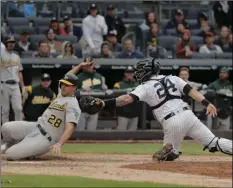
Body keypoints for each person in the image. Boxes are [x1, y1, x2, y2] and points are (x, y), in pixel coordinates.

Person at [94, 58, 232, 161]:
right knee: (214, 143)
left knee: (166, 157)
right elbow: (191, 91)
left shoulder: (145, 86)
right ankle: (171, 150)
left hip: (172, 121)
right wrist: (207, 103)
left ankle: (171, 152)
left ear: (147, 72)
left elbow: (126, 99)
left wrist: (104, 104)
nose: (138, 73)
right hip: (189, 115)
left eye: (140, 71)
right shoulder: (173, 78)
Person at [1, 62, 91, 161]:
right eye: (63, 84)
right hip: (35, 126)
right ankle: (11, 144)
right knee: (6, 127)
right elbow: (69, 74)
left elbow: (70, 128)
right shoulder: (61, 94)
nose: (63, 87)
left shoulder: (73, 105)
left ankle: (28, 150)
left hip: (45, 139)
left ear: (74, 87)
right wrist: (80, 66)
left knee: (10, 155)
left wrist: (59, 144)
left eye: (67, 85)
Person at [0, 36, 25, 124]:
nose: (11, 44)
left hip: (15, 85)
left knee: (18, 108)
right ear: (5, 44)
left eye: (13, 42)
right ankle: (5, 131)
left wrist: (23, 86)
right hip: (4, 84)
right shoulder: (1, 54)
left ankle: (18, 129)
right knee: (5, 110)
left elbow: (20, 72)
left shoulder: (16, 57)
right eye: (9, 42)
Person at [113, 66, 140, 130]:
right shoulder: (118, 84)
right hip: (122, 114)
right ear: (125, 74)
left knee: (132, 137)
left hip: (134, 115)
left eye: (131, 73)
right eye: (128, 73)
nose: (129, 74)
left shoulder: (138, 84)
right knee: (121, 136)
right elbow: (115, 98)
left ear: (134, 74)